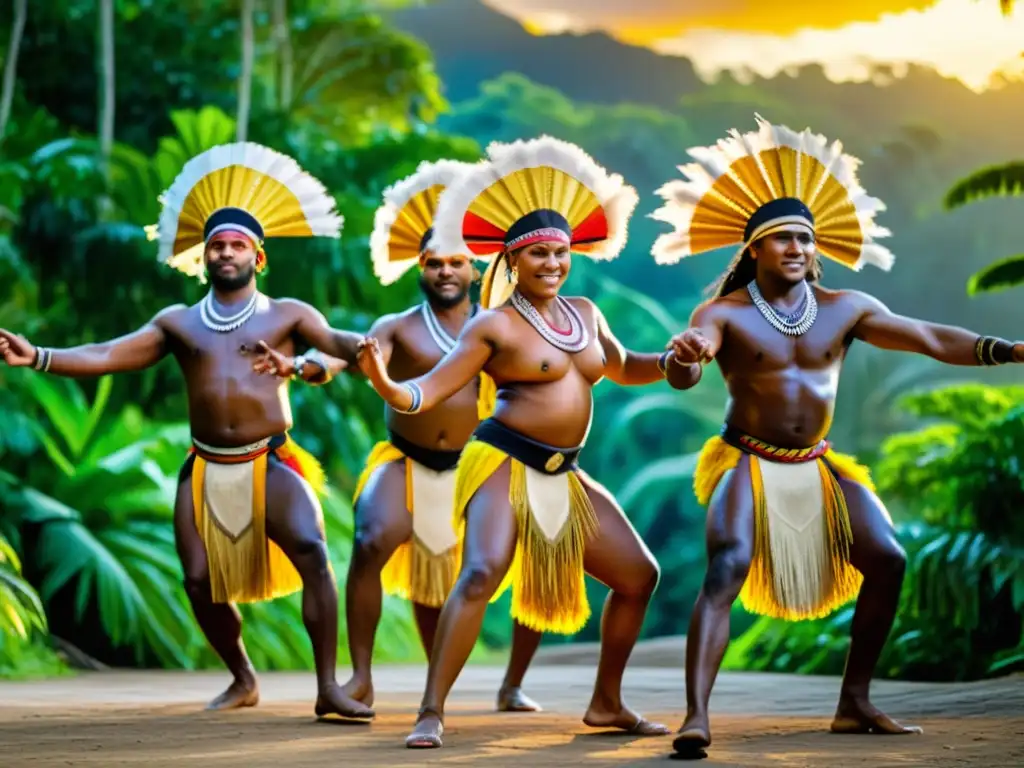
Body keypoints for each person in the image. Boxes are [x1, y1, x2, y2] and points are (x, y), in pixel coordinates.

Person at [648, 115, 1024, 757]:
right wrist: (683, 358)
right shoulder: (722, 314)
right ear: (754, 251)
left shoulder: (847, 307)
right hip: (746, 460)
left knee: (888, 557)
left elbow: (930, 338)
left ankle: (854, 702)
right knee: (727, 568)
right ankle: (696, 718)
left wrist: (1006, 348)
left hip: (818, 464)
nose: (795, 248)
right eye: (781, 239)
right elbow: (691, 366)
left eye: (804, 238)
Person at [0, 142, 372, 718]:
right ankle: (242, 677)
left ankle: (329, 687)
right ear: (203, 257)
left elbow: (339, 349)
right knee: (198, 581)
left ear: (259, 258)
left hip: (270, 462)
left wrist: (356, 350)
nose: (225, 253)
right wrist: (39, 355)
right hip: (204, 467)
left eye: (237, 246)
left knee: (313, 550)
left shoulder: (291, 315)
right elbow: (106, 353)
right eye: (216, 246)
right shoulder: (178, 322)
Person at [356, 136, 674, 749]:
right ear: (511, 260)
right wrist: (385, 382)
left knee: (638, 575)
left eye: (560, 253)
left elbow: (627, 366)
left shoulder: (585, 312)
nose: (552, 264)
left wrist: (675, 361)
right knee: (480, 572)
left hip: (565, 472)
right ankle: (431, 711)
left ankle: (606, 703)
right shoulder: (493, 323)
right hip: (502, 460)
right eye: (538, 256)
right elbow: (424, 391)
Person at [255, 158, 545, 717]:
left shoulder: (500, 324)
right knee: (370, 538)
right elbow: (354, 357)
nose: (445, 272)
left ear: (475, 266)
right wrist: (304, 368)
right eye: (434, 263)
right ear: (419, 265)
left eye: (457, 262)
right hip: (407, 460)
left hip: (483, 464)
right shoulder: (396, 326)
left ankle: (511, 684)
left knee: (532, 555)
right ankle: (360, 678)